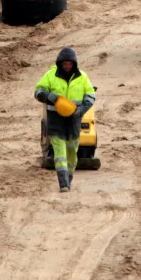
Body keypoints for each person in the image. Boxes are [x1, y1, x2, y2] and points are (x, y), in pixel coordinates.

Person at [34, 47, 96, 192]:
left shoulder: (83, 77)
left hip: (74, 119)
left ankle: (69, 177)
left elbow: (90, 95)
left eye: (69, 63)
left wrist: (81, 111)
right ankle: (63, 183)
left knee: (72, 153)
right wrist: (50, 97)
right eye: (64, 63)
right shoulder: (50, 75)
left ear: (74, 64)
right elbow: (38, 92)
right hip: (56, 119)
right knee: (59, 151)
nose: (67, 66)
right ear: (60, 63)